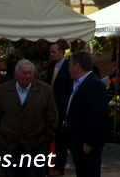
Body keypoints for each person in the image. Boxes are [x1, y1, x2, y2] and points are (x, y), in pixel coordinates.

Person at [0, 59, 58, 177]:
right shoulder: (4, 90)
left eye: (30, 73)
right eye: (24, 73)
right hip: (10, 145)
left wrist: (45, 137)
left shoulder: (44, 90)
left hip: (35, 144)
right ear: (16, 74)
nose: (27, 76)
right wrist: (0, 135)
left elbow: (52, 116)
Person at [65, 50, 109, 177]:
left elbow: (98, 115)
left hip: (86, 142)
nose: (69, 70)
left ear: (77, 67)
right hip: (77, 140)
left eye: (70, 66)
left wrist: (89, 141)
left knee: (88, 172)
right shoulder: (78, 84)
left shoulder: (94, 85)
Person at [40, 39, 71, 176]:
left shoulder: (68, 67)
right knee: (47, 138)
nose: (51, 54)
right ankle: (46, 166)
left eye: (54, 52)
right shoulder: (51, 66)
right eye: (50, 52)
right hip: (50, 108)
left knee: (61, 140)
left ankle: (59, 167)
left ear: (62, 52)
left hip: (61, 109)